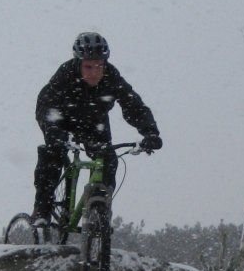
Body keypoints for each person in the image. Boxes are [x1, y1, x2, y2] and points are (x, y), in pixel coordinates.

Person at [32, 32, 162, 225]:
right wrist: (55, 134)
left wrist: (150, 132)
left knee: (108, 158)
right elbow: (47, 106)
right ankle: (42, 211)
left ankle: (98, 208)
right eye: (88, 66)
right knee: (53, 154)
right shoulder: (65, 75)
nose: (94, 72)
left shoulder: (112, 77)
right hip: (61, 118)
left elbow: (133, 105)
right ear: (78, 63)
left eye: (99, 66)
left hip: (94, 123)